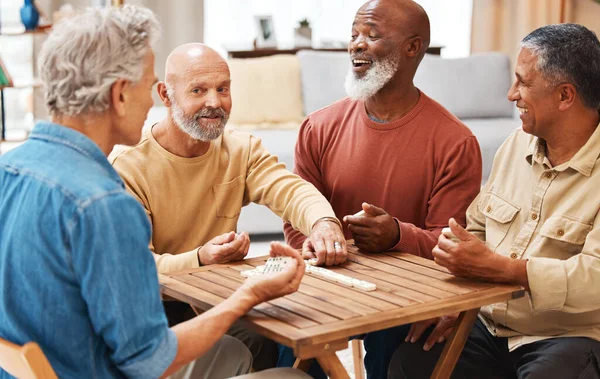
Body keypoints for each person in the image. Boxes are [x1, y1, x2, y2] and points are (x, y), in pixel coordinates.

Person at [0, 6, 310, 379]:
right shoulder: (105, 204)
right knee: (295, 377)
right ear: (119, 95)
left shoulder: (9, 168)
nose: (152, 102)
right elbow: (151, 360)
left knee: (235, 350)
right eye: (148, 86)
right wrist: (250, 294)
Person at [108, 42, 347, 370]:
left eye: (223, 89)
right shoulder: (128, 166)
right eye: (198, 90)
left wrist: (323, 223)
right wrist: (199, 258)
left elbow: (289, 190)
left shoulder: (240, 149)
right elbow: (138, 270)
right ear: (165, 95)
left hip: (216, 300)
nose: (215, 102)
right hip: (156, 315)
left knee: (304, 329)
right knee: (256, 341)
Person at [280, 0, 482, 377]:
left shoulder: (456, 142)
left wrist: (396, 236)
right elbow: (296, 218)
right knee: (286, 324)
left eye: (372, 35)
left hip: (405, 295)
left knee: (402, 336)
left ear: (412, 47)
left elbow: (450, 244)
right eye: (354, 34)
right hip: (329, 279)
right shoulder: (318, 127)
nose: (356, 44)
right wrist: (312, 242)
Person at [388, 23, 600, 378]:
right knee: (410, 364)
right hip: (488, 321)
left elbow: (595, 279)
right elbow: (477, 230)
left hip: (568, 334)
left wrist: (504, 270)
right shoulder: (515, 145)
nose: (511, 94)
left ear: (565, 96)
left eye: (523, 82)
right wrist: (458, 302)